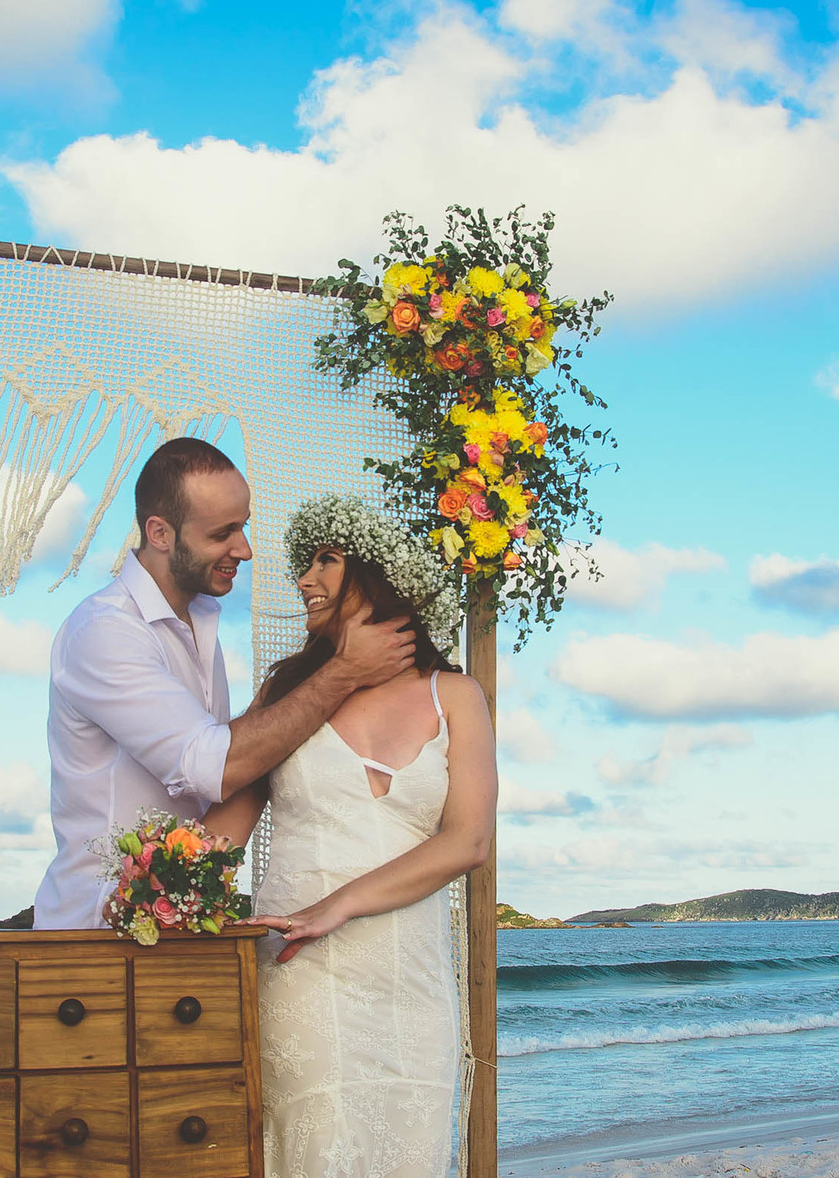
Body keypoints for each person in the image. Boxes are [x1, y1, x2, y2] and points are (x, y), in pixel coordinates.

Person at [203, 495, 497, 1178]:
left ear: (375, 574)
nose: (304, 579)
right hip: (300, 974)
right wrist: (153, 887)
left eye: (325, 561)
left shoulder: (455, 696)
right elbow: (222, 836)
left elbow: (467, 842)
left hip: (412, 989)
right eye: (304, 565)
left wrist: (336, 905)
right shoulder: (287, 689)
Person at [33, 439, 416, 929]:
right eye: (222, 533)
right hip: (97, 931)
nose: (245, 550)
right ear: (160, 533)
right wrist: (342, 671)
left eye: (244, 526)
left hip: (179, 924)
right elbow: (216, 767)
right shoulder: (105, 631)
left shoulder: (202, 620)